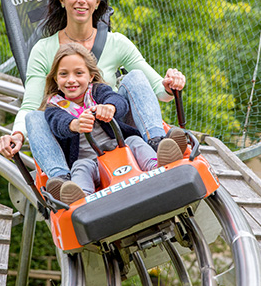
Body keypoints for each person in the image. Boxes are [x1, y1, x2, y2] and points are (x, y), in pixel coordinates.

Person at [0, 0, 187, 196]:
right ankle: (63, 182)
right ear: (61, 0)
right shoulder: (43, 50)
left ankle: (157, 144)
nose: (81, 0)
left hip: (115, 128)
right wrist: (17, 135)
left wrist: (170, 85)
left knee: (135, 76)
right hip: (77, 143)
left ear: (97, 2)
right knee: (35, 117)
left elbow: (158, 90)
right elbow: (31, 105)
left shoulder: (117, 43)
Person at [42, 43, 183, 204]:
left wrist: (109, 107)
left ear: (90, 77)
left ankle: (156, 164)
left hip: (121, 149)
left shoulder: (97, 91)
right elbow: (57, 123)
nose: (71, 80)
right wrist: (74, 124)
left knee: (135, 142)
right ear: (55, 79)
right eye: (64, 74)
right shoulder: (55, 106)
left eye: (79, 73)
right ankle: (80, 196)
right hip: (91, 162)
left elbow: (118, 100)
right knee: (80, 167)